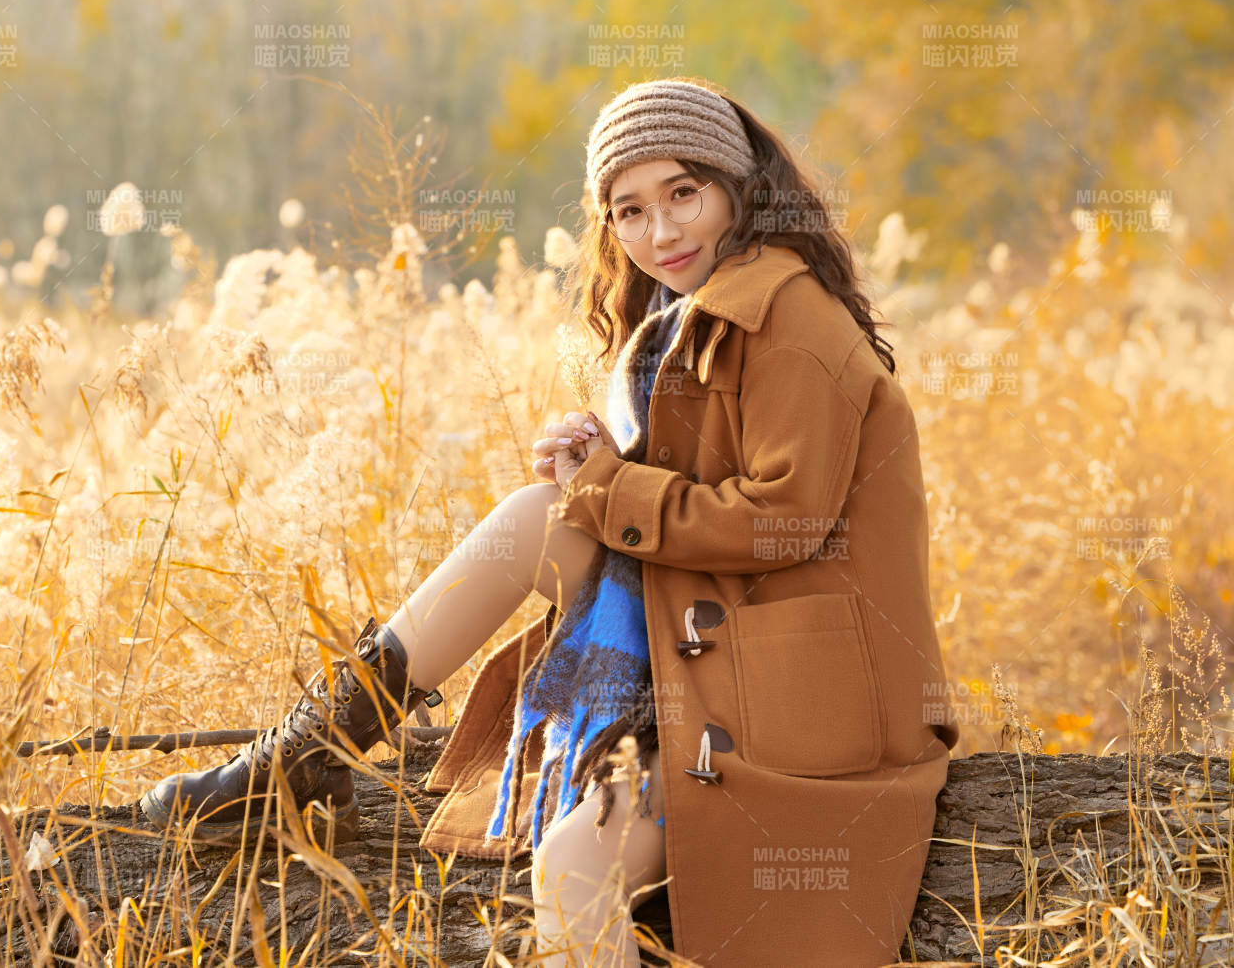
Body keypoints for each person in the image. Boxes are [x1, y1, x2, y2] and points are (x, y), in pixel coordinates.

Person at [139, 77, 960, 968]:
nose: (661, 232)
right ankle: (300, 760)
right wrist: (610, 458)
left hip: (803, 702)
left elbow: (782, 524)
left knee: (572, 866)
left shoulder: (789, 316)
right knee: (535, 514)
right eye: (630, 211)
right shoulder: (692, 311)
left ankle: (296, 766)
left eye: (684, 193)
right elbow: (713, 481)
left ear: (738, 186)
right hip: (729, 634)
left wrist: (610, 487)